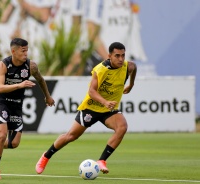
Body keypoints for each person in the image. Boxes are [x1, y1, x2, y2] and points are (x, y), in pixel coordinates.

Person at [35, 42, 137, 174]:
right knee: (70, 136)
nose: (121, 59)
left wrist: (131, 84)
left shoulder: (128, 66)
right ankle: (46, 156)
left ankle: (102, 161)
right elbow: (92, 92)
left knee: (122, 127)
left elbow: (133, 68)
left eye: (123, 55)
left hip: (108, 110)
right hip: (91, 108)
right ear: (109, 56)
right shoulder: (101, 69)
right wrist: (105, 102)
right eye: (117, 56)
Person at [0, 38, 55, 180]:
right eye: (23, 50)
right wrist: (19, 85)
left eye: (27, 50)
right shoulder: (3, 65)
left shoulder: (31, 66)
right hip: (2, 102)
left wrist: (48, 97)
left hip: (16, 105)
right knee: (2, 135)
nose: (26, 53)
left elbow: (41, 80)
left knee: (14, 143)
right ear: (13, 51)